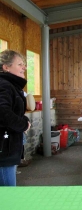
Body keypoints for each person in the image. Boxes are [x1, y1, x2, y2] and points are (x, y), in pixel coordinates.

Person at [0, 49, 31, 186]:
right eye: (19, 64)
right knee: (8, 194)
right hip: (4, 151)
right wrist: (23, 124)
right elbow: (2, 113)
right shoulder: (4, 85)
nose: (24, 67)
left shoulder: (10, 85)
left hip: (7, 148)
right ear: (6, 67)